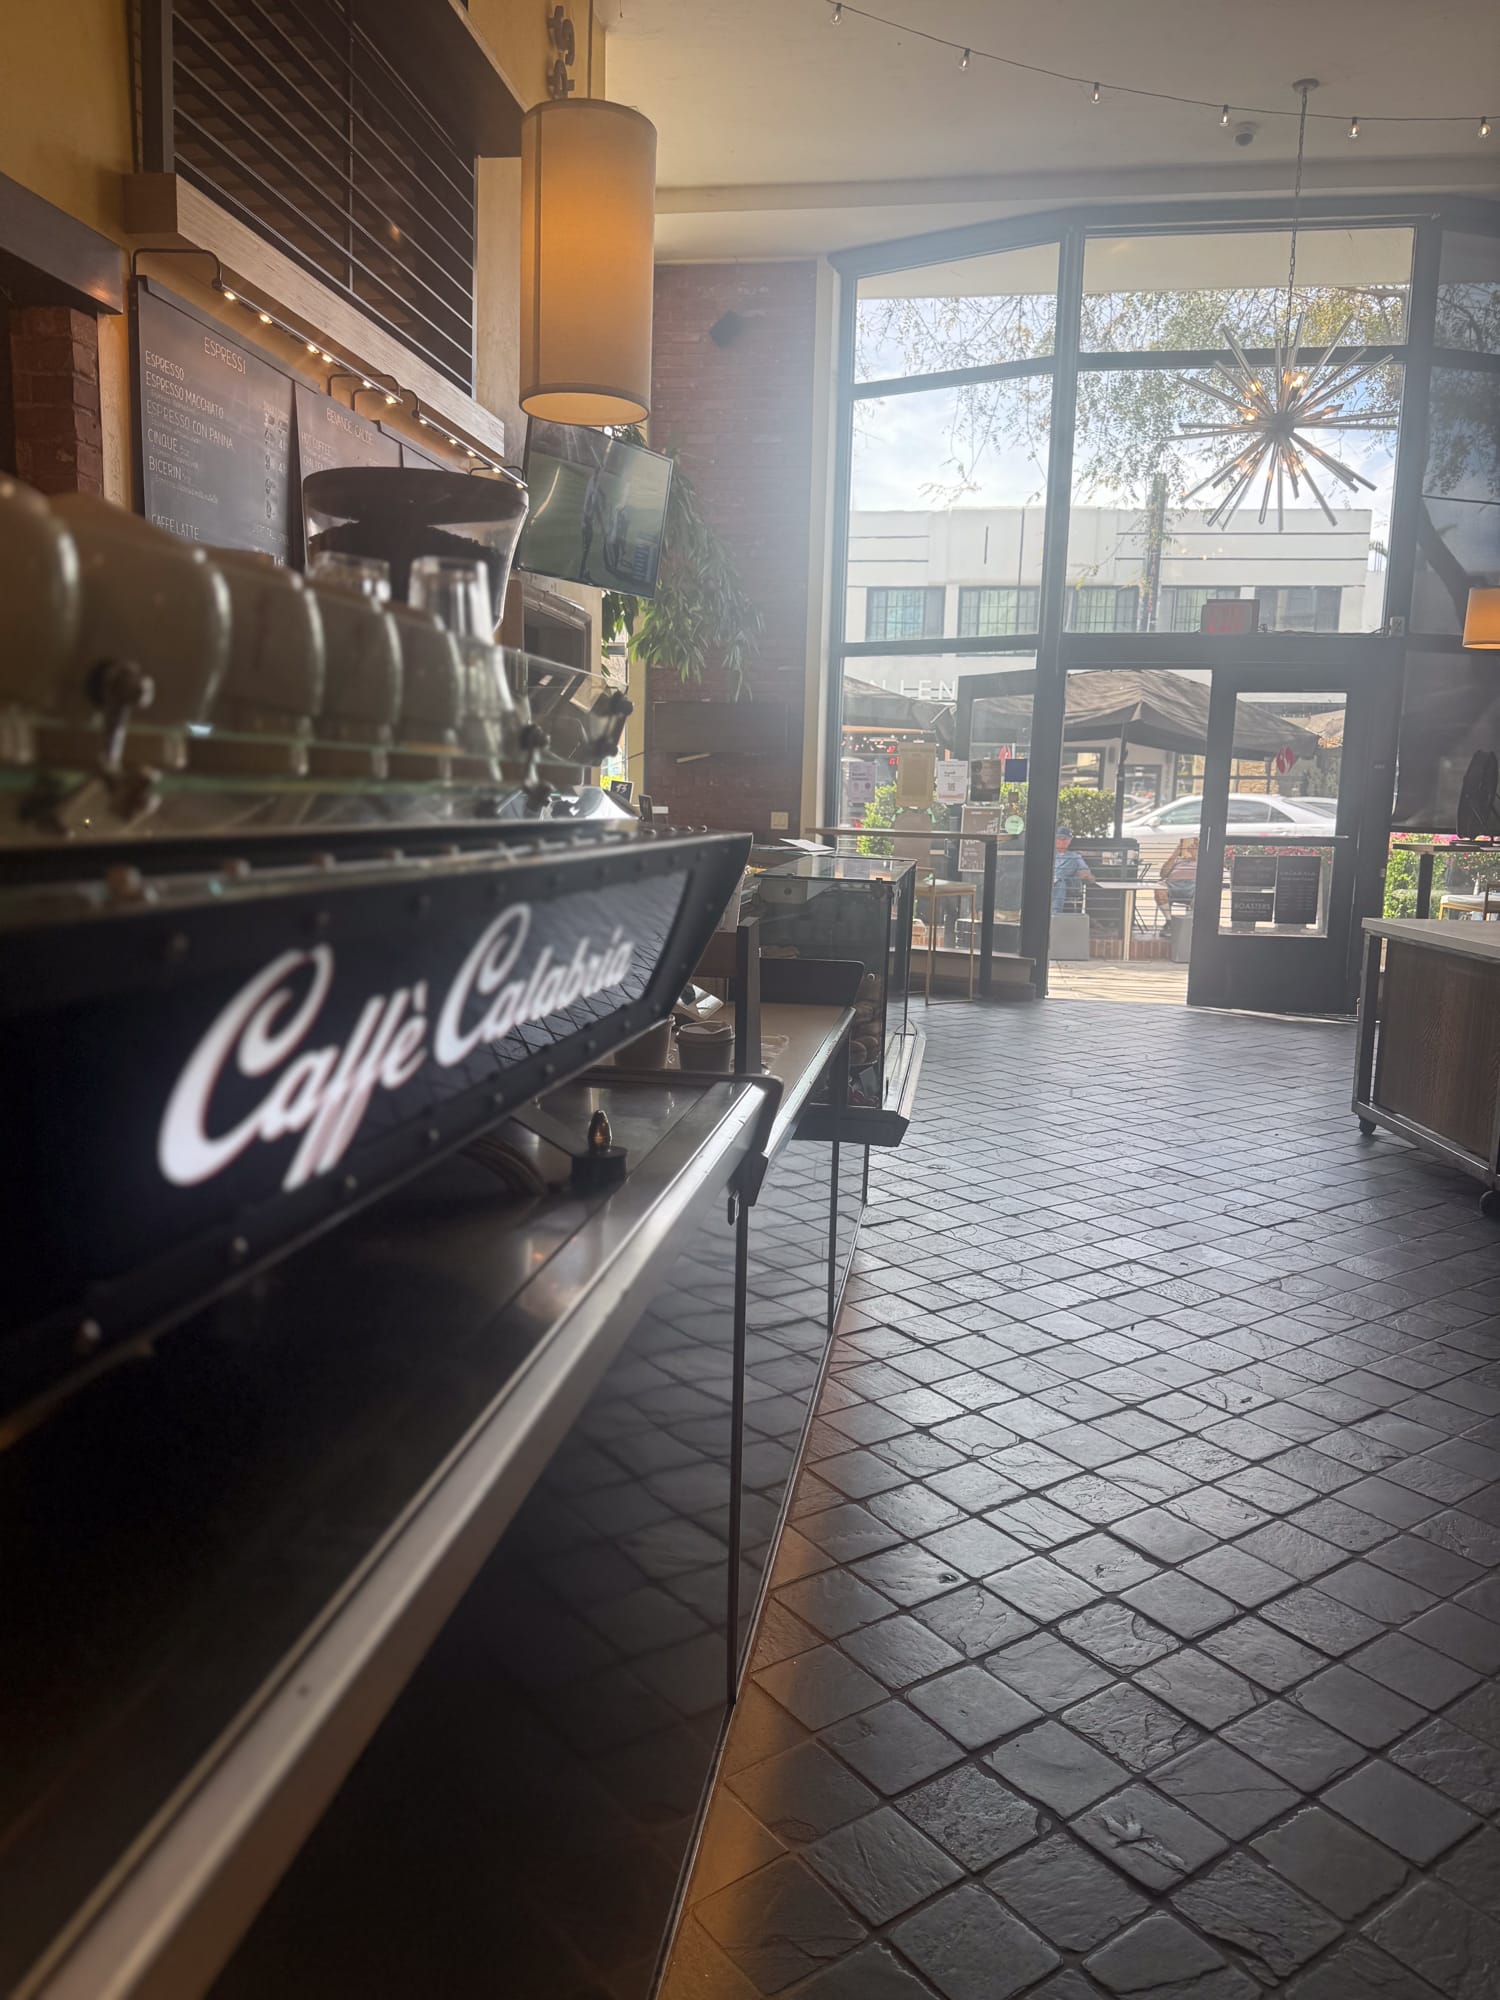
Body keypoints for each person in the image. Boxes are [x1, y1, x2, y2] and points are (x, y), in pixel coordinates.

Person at [1052, 824, 1094, 913]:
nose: (1062, 841)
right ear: (1055, 839)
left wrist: (1085, 875)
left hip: (1069, 885)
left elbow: (1090, 877)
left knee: (1073, 860)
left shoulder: (1075, 856)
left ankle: (1054, 914)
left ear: (1069, 841)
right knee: (1059, 883)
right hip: (1052, 885)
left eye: (1065, 839)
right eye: (1059, 838)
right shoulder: (1049, 854)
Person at [1155, 836, 1199, 914]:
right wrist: (1175, 854)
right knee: (1159, 888)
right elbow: (1163, 874)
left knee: (1202, 891)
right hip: (1172, 885)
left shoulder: (1202, 860)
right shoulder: (1178, 860)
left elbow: (1206, 872)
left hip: (1193, 886)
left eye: (1195, 844)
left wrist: (1195, 855)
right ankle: (1169, 921)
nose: (1191, 846)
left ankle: (1192, 921)